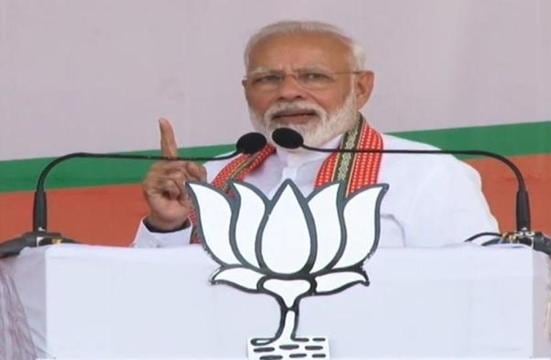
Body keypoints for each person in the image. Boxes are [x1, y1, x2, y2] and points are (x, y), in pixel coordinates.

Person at [132, 20, 498, 248]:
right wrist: (168, 225)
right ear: (247, 91)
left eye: (313, 77)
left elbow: (473, 289)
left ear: (362, 89)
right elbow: (156, 299)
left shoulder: (425, 173)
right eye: (268, 79)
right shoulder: (212, 177)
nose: (288, 92)